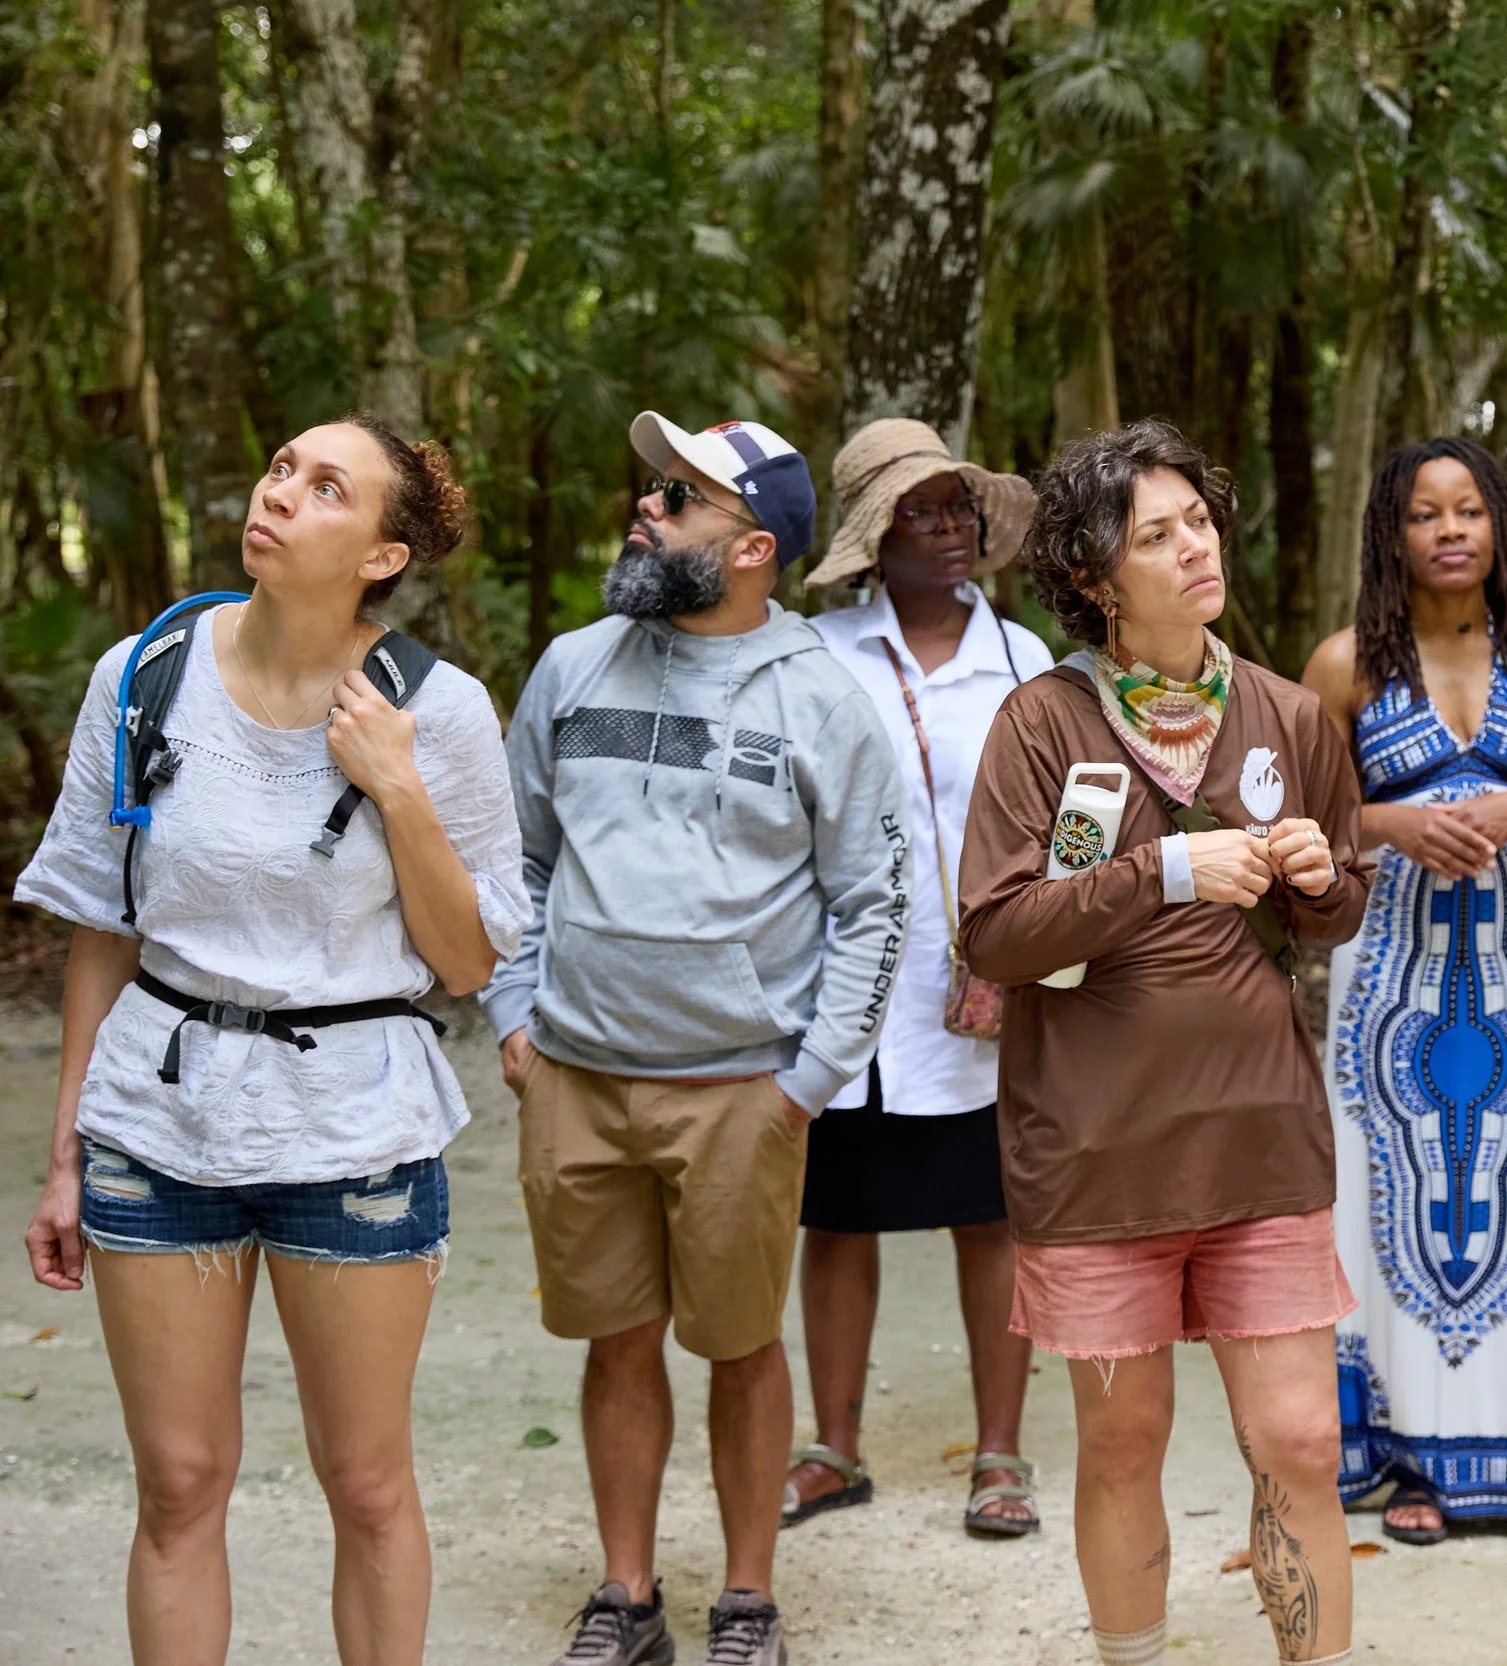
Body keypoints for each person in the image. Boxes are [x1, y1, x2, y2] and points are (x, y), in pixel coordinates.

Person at [17, 418, 522, 1666]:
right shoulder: (144, 676)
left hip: (355, 1126)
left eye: (326, 486)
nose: (282, 492)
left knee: (364, 1482)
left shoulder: (437, 710)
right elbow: (101, 922)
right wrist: (66, 1150)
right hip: (156, 1119)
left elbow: (468, 961)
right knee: (180, 1483)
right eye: (284, 468)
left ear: (384, 552)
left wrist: (395, 784)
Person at [483, 412, 909, 1666]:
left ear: (753, 548)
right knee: (616, 1340)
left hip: (741, 1089)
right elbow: (516, 862)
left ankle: (747, 1601)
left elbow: (874, 901)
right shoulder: (572, 667)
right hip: (579, 1074)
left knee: (738, 1341)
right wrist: (515, 1016)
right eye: (653, 487)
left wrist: (811, 1080)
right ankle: (626, 1596)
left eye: (681, 497)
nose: (646, 506)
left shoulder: (822, 698)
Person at [956, 418, 1372, 1666]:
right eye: (1156, 533)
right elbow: (995, 933)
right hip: (1094, 1154)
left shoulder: (1289, 714)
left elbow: (1336, 907)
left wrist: (1314, 874)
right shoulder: (1038, 725)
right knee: (1124, 1438)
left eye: (1197, 519)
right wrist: (1161, 872)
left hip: (1259, 1140)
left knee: (1299, 1439)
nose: (1195, 546)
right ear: (1091, 574)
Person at [1298, 436, 1507, 1544]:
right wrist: (1390, 822)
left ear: (1499, 530)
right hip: (1390, 981)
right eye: (1425, 514)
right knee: (1388, 1210)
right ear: (1391, 532)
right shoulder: (1344, 664)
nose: (1448, 531)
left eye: (1469, 511)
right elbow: (1297, 823)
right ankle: (1412, 1461)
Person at [783, 417, 1049, 1536]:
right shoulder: (816, 654)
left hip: (983, 993)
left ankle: (1001, 1456)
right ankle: (831, 1448)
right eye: (920, 512)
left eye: (958, 508)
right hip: (843, 986)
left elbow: (1067, 814)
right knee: (835, 1216)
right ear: (869, 538)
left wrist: (1042, 944)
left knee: (988, 1216)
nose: (949, 528)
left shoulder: (1026, 662)